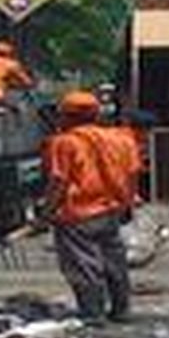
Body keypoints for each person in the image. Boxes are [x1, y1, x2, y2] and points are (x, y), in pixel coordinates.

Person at [42, 90, 142, 323]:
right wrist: (127, 203)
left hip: (78, 215)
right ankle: (121, 309)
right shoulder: (122, 139)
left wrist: (47, 211)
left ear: (66, 116)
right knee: (114, 262)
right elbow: (133, 175)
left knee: (83, 266)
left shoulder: (65, 143)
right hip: (111, 210)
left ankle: (92, 314)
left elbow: (59, 180)